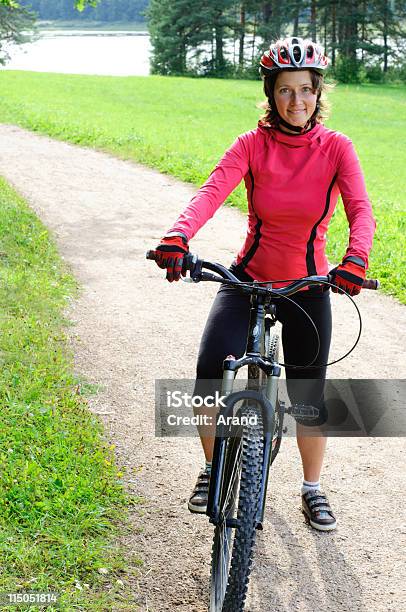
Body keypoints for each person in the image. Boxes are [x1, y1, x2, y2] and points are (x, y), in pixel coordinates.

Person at [153, 37, 376, 531]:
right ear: (270, 95)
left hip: (309, 285)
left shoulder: (337, 147)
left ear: (318, 93)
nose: (296, 101)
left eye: (305, 90)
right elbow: (212, 191)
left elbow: (361, 210)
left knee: (308, 396)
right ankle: (213, 469)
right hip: (248, 279)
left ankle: (312, 488)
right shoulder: (251, 144)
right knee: (210, 374)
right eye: (284, 91)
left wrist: (355, 258)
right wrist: (177, 236)